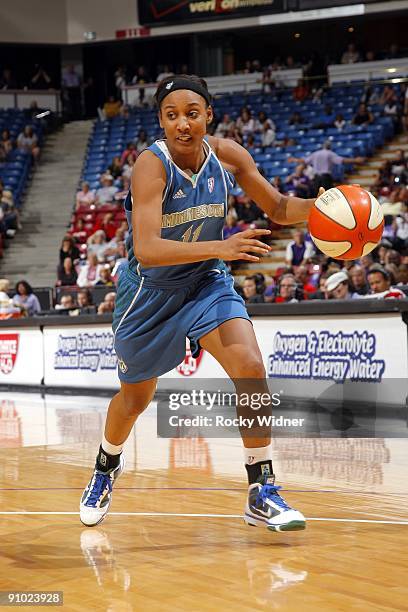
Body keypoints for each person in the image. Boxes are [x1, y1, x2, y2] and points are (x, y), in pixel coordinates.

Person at [79, 74, 322, 532]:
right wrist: (223, 246)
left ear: (208, 114)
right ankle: (106, 466)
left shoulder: (228, 155)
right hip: (149, 294)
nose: (182, 124)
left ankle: (260, 488)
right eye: (171, 116)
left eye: (192, 113)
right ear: (161, 121)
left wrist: (322, 207)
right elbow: (148, 248)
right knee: (135, 399)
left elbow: (278, 207)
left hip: (207, 281)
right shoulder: (150, 166)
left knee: (249, 366)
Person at [290, 141, 364, 191]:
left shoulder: (315, 153)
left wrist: (294, 159)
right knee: (327, 198)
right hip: (325, 178)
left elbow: (304, 161)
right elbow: (341, 160)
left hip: (316, 178)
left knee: (316, 198)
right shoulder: (329, 153)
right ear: (330, 147)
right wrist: (355, 160)